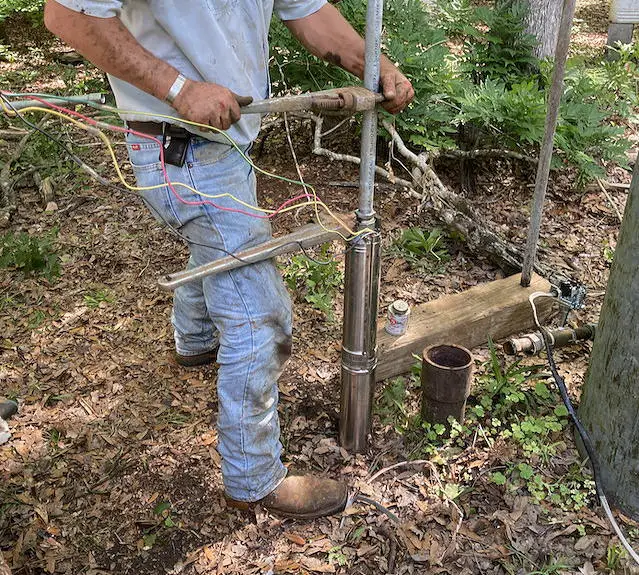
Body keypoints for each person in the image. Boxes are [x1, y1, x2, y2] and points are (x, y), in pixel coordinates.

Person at [44, 0, 414, 519]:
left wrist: (376, 65)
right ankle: (253, 477)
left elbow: (308, 12)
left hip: (222, 146)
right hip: (181, 147)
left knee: (216, 251)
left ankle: (194, 343)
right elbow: (66, 16)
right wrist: (180, 90)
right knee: (258, 317)